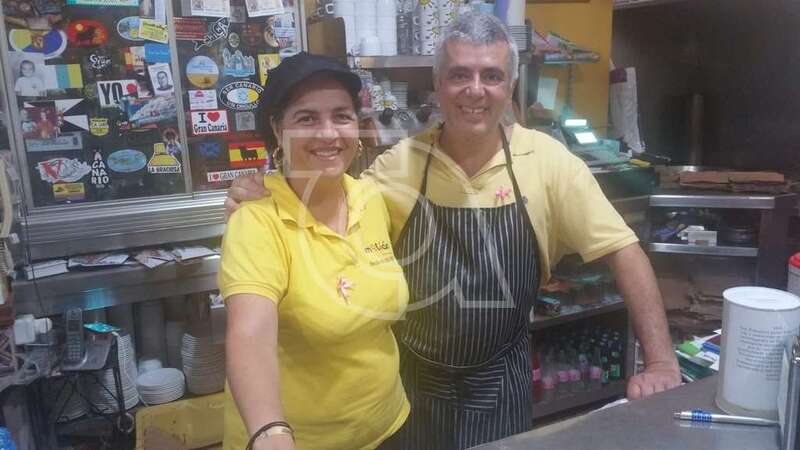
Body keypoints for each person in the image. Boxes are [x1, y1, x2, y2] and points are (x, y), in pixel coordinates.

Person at [226, 13, 680, 449]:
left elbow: (625, 251)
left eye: (492, 76)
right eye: (460, 74)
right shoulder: (396, 167)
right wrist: (260, 192)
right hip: (411, 388)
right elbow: (325, 201)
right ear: (438, 84)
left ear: (510, 85)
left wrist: (660, 361)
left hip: (501, 381)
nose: (475, 90)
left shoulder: (549, 163)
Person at [218, 52, 410, 450]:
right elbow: (250, 334)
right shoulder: (256, 218)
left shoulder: (371, 199)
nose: (328, 134)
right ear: (277, 129)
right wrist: (270, 432)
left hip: (389, 426)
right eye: (306, 118)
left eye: (341, 116)